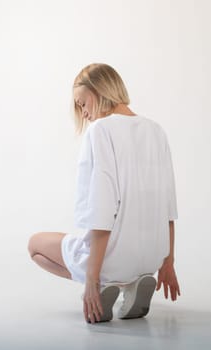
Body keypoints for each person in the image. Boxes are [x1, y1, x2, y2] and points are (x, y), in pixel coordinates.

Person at [28, 63, 180, 324]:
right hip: (152, 257)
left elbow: (102, 208)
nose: (84, 112)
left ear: (99, 91)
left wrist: (91, 279)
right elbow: (168, 204)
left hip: (112, 258)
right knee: (121, 253)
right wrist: (168, 263)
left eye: (82, 103)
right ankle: (130, 286)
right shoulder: (156, 130)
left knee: (35, 245)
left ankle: (104, 284)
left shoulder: (101, 130)